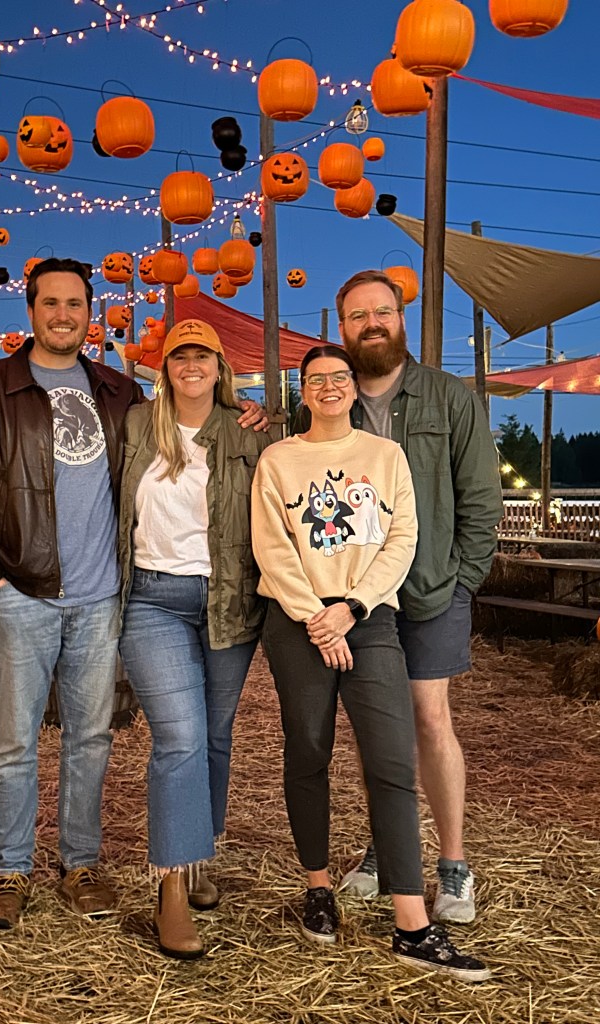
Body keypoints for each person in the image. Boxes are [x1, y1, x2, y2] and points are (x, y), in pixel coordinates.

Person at [251, 344, 490, 982]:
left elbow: (401, 538)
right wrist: (316, 617)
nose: (329, 386)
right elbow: (271, 546)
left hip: (369, 618)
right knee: (308, 750)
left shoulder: (385, 457)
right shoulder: (279, 459)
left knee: (390, 759)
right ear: (302, 390)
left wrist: (352, 608)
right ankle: (318, 887)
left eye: (340, 377)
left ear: (354, 388)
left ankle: (412, 922)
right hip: (297, 620)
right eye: (316, 379)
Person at [0, 257, 145, 929]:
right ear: (30, 311)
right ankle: (10, 871)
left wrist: (241, 413)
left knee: (91, 739)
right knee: (14, 743)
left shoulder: (120, 393)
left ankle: (80, 864)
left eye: (74, 303)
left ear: (90, 313)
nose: (62, 315)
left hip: (100, 598)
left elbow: (177, 451)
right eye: (50, 303)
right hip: (21, 595)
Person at [334, 271, 503, 924]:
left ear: (401, 319)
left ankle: (453, 864)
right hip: (359, 596)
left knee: (430, 719)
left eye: (382, 311)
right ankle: (387, 848)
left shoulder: (448, 397)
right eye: (358, 316)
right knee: (377, 727)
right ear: (342, 328)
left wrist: (463, 580)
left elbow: (481, 498)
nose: (371, 323)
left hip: (431, 589)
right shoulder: (332, 398)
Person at [118, 319, 270, 960]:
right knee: (179, 737)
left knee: (213, 735)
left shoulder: (248, 432)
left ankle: (198, 852)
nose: (191, 364)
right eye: (179, 355)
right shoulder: (135, 425)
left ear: (219, 366)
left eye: (202, 354)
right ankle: (172, 888)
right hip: (152, 598)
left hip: (228, 600)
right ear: (165, 367)